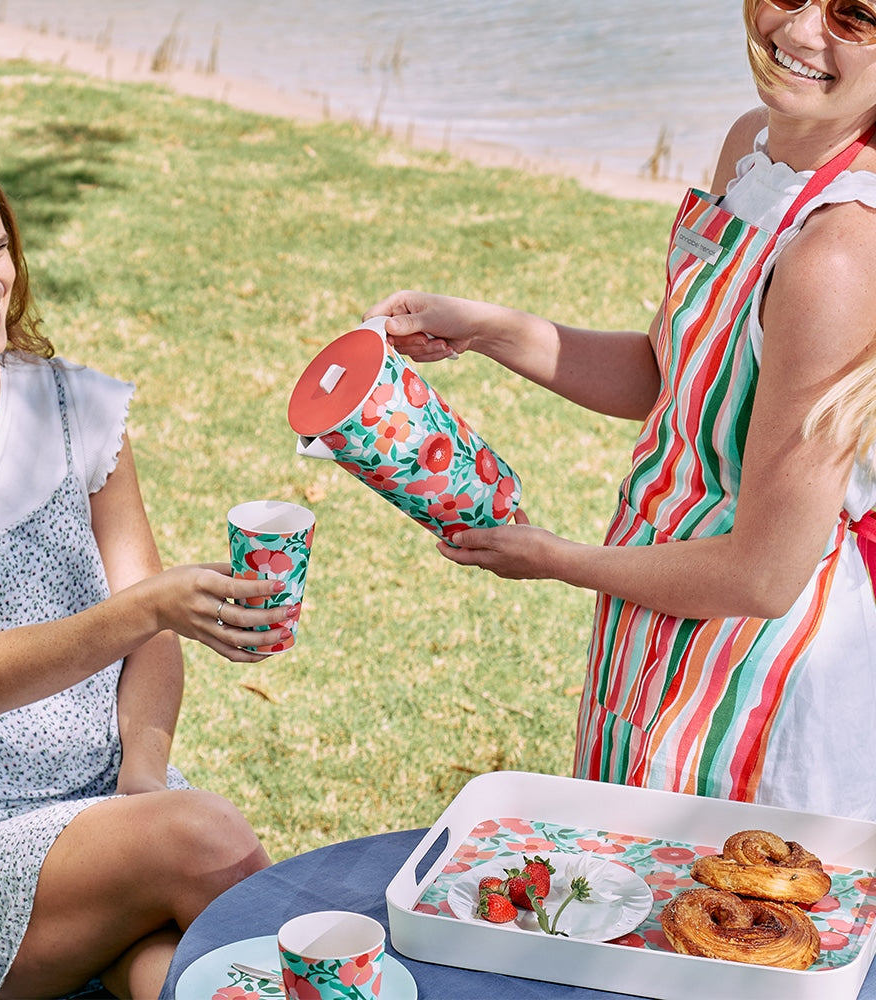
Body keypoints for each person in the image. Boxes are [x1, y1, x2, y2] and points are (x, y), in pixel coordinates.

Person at [366, 0, 876, 822]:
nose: (800, 31)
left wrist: (559, 559)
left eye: (856, 17)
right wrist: (491, 330)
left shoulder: (841, 253)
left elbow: (765, 575)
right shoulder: (751, 146)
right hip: (658, 591)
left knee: (714, 922)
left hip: (757, 662)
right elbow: (672, 377)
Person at [0, 137, 295, 1000]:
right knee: (208, 837)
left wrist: (142, 773)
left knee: (170, 977)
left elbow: (150, 640)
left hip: (121, 803)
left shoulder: (78, 406)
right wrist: (152, 606)